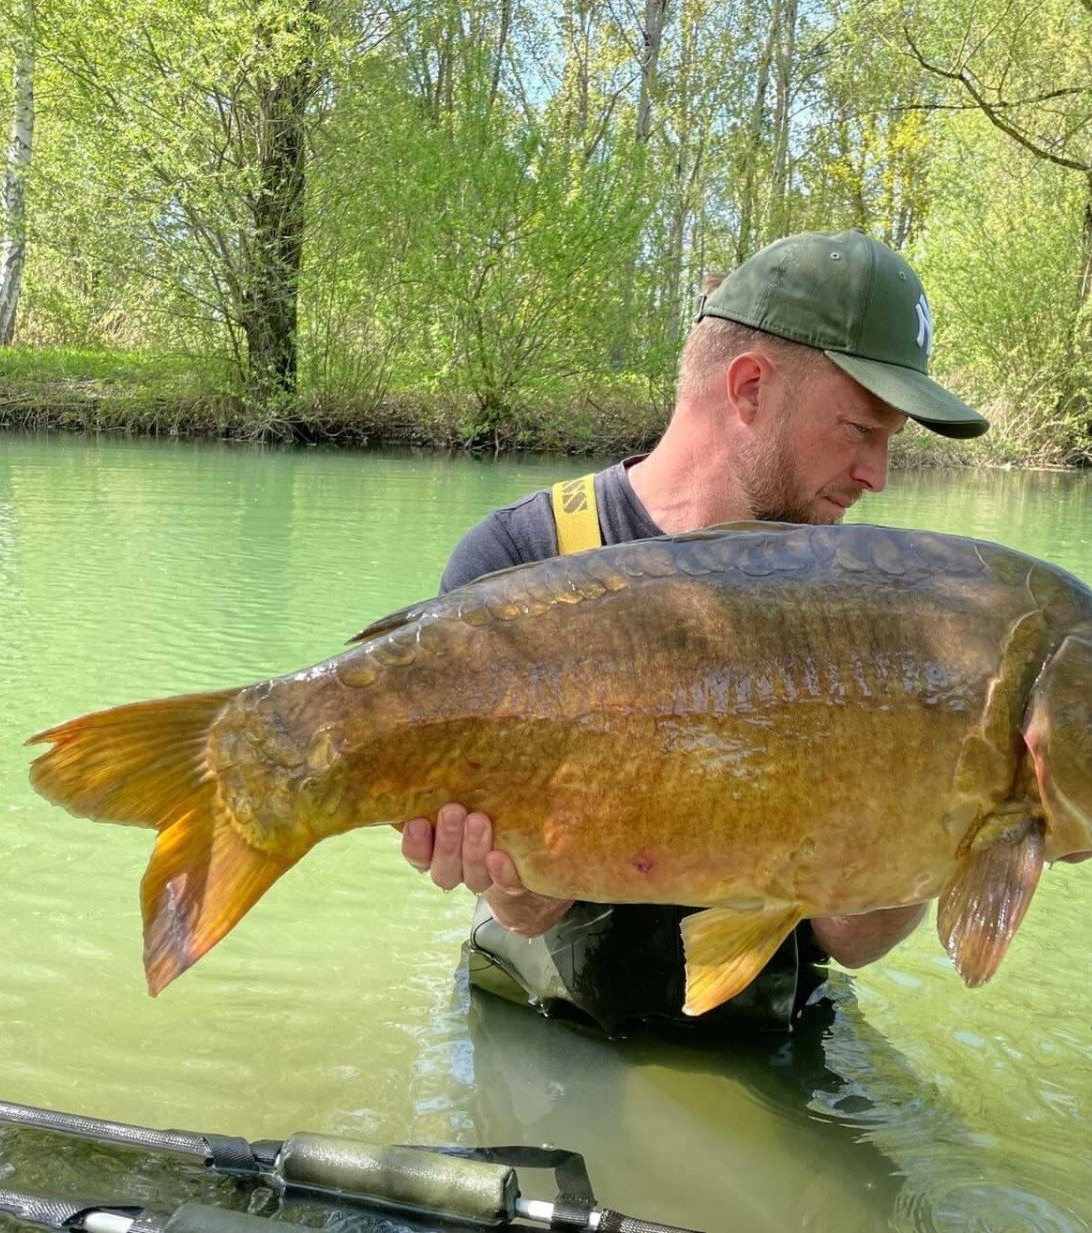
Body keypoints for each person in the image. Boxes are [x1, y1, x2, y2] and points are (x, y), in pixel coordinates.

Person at [399, 230, 1054, 1034]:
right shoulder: (519, 565)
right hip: (551, 1026)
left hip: (767, 1027)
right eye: (860, 428)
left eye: (891, 441)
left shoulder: (875, 612)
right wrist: (507, 876)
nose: (878, 474)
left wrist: (962, 815)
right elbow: (528, 914)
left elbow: (852, 941)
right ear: (749, 388)